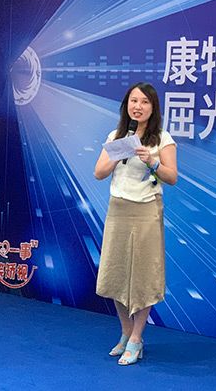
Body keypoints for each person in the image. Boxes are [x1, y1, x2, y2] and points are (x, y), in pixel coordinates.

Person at [94, 82, 178, 366]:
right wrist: (117, 155)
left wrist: (152, 161)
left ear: (153, 108)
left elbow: (172, 177)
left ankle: (137, 338)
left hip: (147, 211)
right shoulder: (117, 136)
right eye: (133, 101)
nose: (137, 106)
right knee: (116, 273)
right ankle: (126, 333)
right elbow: (98, 173)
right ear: (126, 105)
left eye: (144, 102)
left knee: (143, 276)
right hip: (119, 209)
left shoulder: (162, 138)